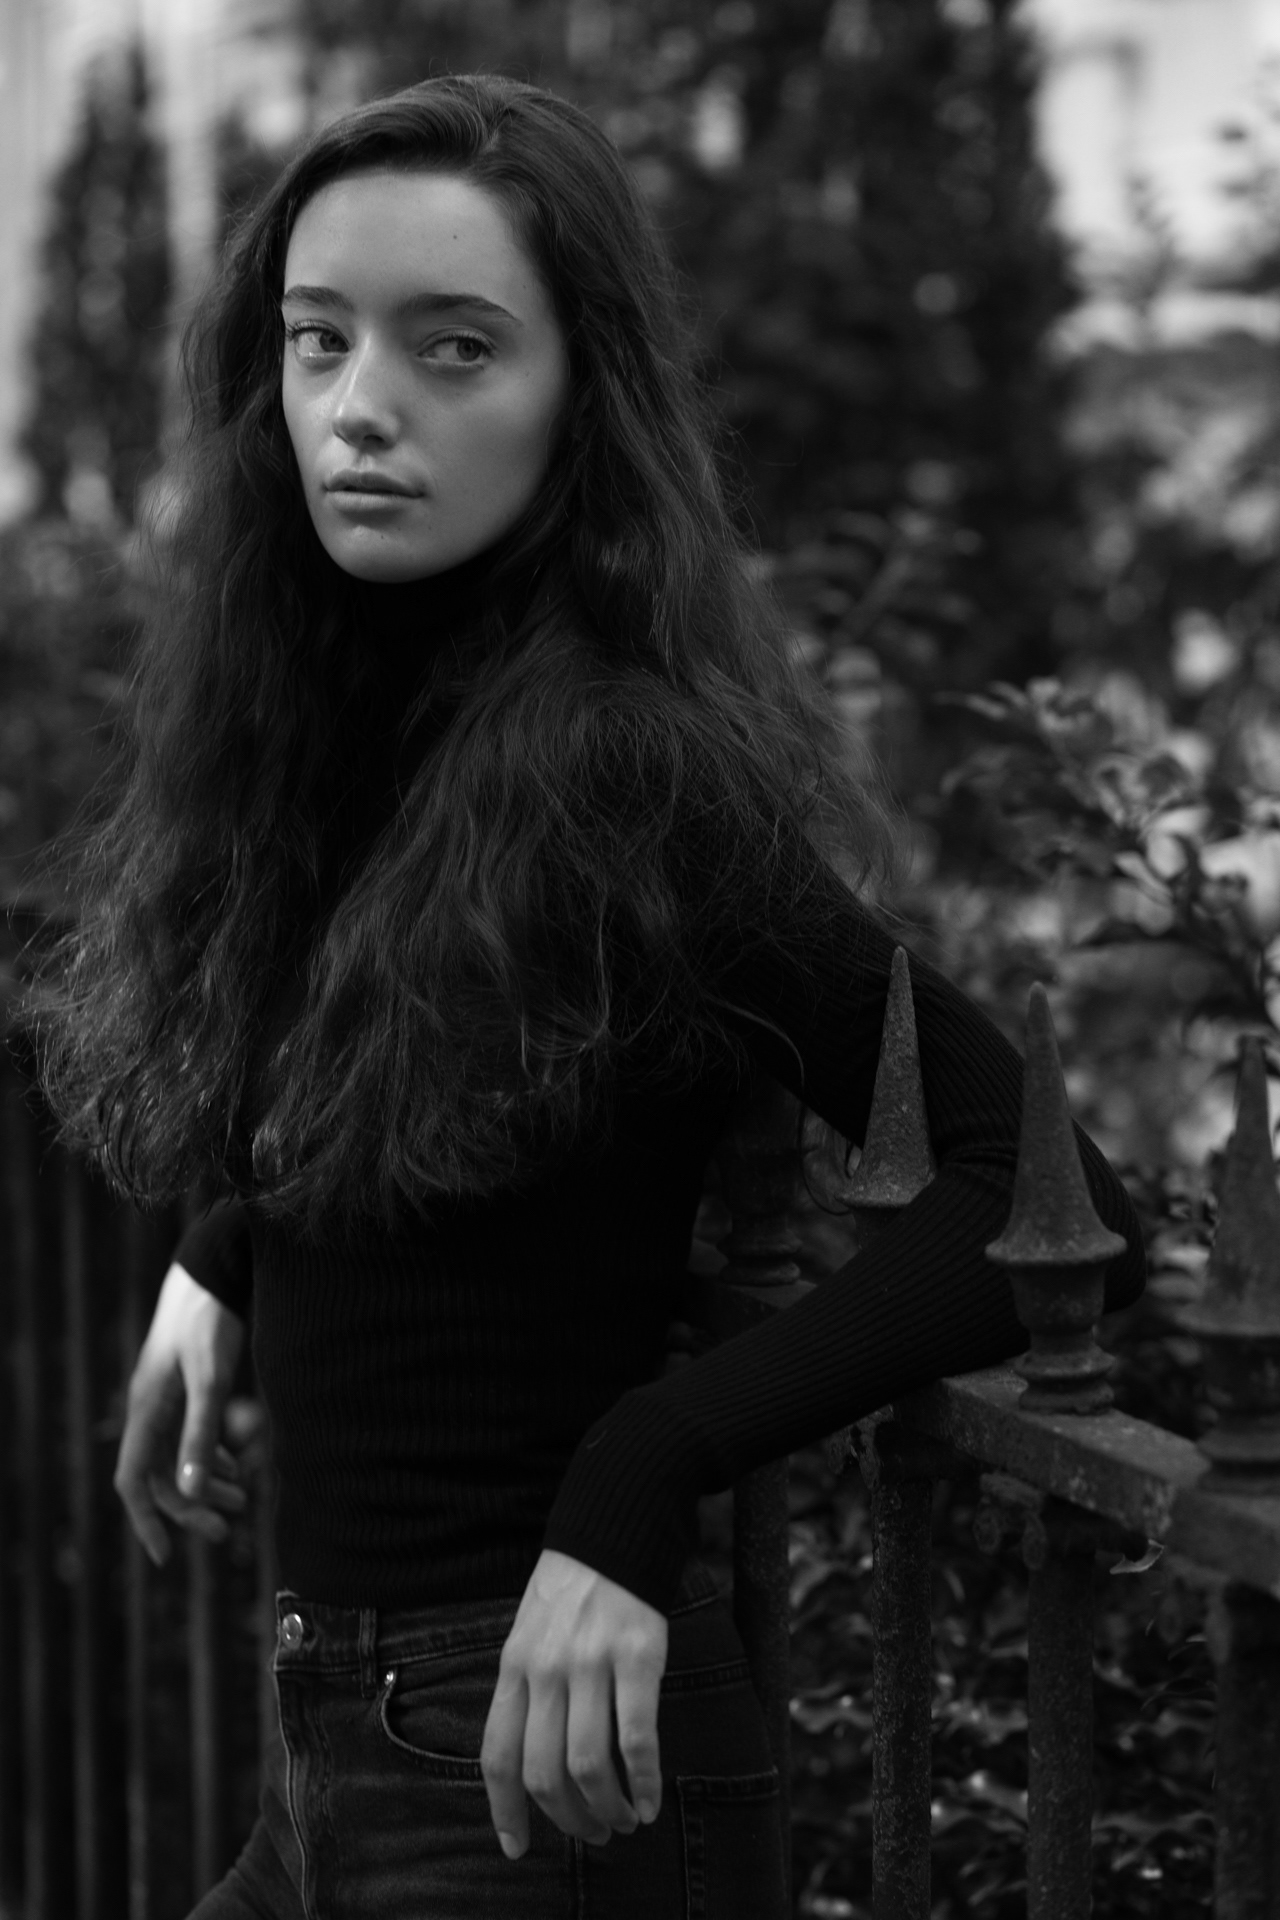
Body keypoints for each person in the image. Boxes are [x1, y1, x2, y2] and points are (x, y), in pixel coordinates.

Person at [29, 74, 1144, 1919]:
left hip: (539, 1775)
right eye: (318, 339)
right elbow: (451, 1096)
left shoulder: (630, 772)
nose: (360, 405)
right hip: (341, 1760)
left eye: (455, 347)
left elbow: (1047, 1196)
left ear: (581, 398)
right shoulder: (349, 716)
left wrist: (645, 1466)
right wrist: (230, 1250)